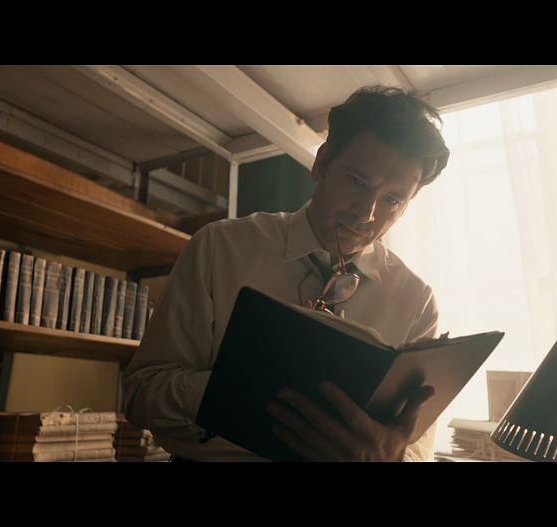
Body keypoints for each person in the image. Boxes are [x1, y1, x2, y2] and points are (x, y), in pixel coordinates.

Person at [122, 85, 450, 461]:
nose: (366, 214)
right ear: (321, 163)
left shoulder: (417, 303)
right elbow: (141, 395)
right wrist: (250, 382)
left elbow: (418, 450)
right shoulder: (218, 247)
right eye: (357, 181)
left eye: (392, 199)